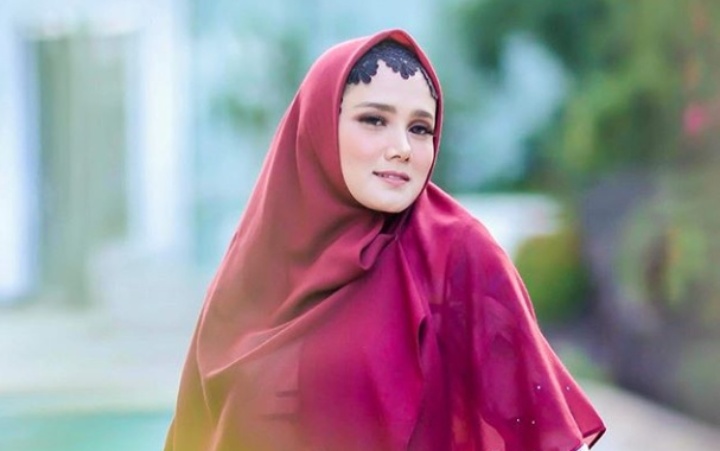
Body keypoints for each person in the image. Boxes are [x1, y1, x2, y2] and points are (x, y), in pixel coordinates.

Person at [164, 28, 606, 451]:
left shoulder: (458, 254)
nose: (402, 148)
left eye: (420, 128)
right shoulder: (253, 268)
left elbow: (539, 429)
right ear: (319, 125)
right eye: (374, 120)